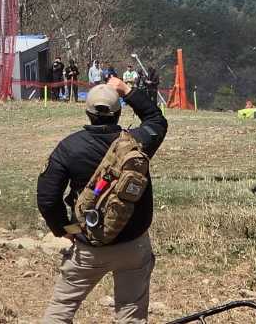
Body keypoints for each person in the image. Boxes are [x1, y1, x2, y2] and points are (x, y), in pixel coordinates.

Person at [37, 75, 168, 324]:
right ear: (119, 113)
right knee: (131, 312)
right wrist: (126, 89)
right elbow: (156, 120)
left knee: (62, 307)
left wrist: (66, 230)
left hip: (87, 244)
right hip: (133, 244)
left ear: (88, 113)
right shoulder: (137, 143)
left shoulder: (69, 148)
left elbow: (47, 198)